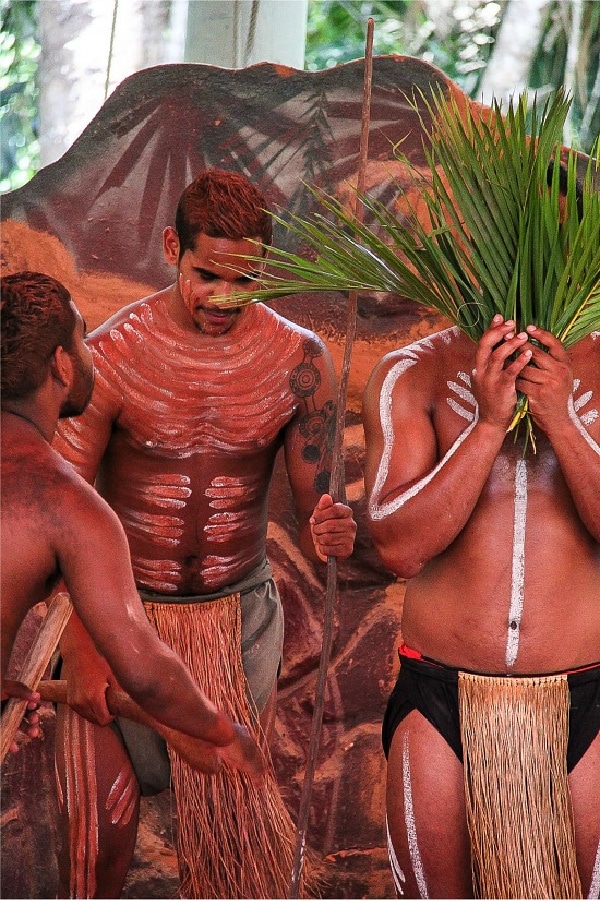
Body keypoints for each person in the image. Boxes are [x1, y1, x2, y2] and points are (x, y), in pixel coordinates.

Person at [52, 168, 356, 897]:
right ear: (170, 249)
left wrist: (335, 525)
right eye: (206, 274)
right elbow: (66, 502)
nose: (223, 297)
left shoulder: (298, 361)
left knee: (228, 850)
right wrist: (85, 642)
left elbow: (321, 504)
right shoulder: (113, 354)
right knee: (101, 834)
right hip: (121, 613)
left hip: (234, 621)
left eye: (244, 278)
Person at [362, 314, 600, 898]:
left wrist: (564, 423)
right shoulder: (412, 372)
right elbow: (398, 545)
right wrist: (489, 425)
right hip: (441, 699)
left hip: (587, 697)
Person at [1, 270, 264, 778]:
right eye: (81, 339)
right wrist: (221, 733)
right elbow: (142, 669)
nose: (88, 355)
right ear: (60, 365)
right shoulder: (64, 503)